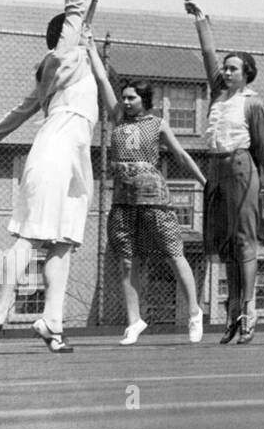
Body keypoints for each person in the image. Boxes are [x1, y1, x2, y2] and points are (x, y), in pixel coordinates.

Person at [0, 0, 95, 355]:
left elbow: (22, 110)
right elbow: (76, 6)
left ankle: (52, 320)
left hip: (77, 159)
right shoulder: (66, 52)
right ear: (67, 36)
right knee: (29, 239)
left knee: (63, 243)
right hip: (55, 151)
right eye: (76, 30)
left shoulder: (60, 72)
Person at [87, 57, 208, 346]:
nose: (127, 102)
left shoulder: (157, 125)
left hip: (153, 198)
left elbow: (181, 155)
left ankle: (194, 312)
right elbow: (103, 80)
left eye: (132, 98)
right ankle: (134, 321)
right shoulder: (118, 118)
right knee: (127, 260)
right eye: (125, 98)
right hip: (122, 200)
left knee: (173, 252)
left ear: (144, 100)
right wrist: (90, 46)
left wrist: (204, 181)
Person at [184, 0, 264, 345]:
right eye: (225, 68)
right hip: (216, 170)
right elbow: (208, 55)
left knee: (244, 242)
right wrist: (200, 21)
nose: (226, 72)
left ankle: (248, 311)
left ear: (247, 74)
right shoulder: (218, 96)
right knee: (224, 246)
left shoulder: (252, 102)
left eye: (233, 68)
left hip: (242, 169)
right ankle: (232, 309)